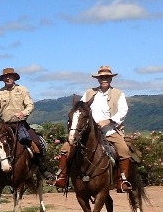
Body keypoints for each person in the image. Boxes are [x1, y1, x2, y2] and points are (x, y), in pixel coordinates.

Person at [53, 65, 132, 193]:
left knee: (124, 150)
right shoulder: (89, 92)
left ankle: (122, 181)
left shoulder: (118, 94)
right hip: (89, 132)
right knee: (67, 147)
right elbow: (81, 108)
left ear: (111, 79)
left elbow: (123, 111)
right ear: (98, 79)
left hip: (109, 130)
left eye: (107, 77)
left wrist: (108, 121)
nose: (104, 79)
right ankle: (60, 177)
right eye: (102, 77)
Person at [0, 67, 55, 181]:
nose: (7, 78)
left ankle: (43, 169)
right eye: (5, 76)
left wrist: (23, 113)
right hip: (4, 125)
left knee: (36, 142)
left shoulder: (22, 90)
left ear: (14, 77)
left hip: (20, 124)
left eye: (9, 76)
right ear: (3, 78)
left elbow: (30, 105)